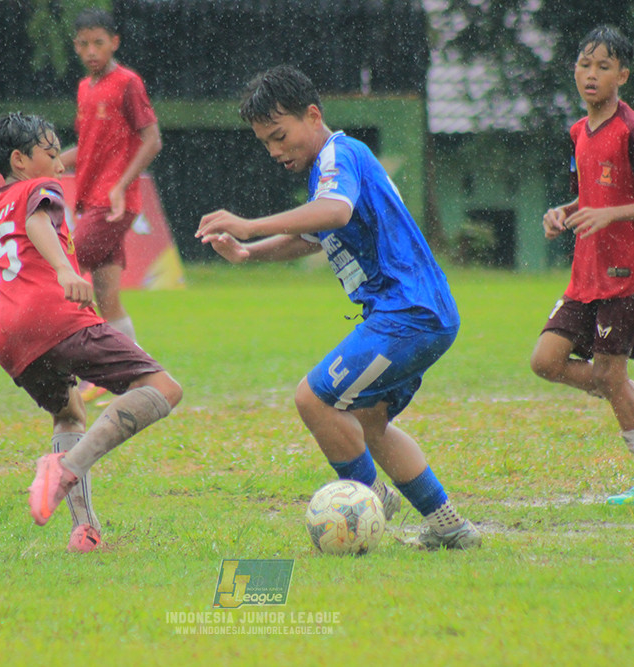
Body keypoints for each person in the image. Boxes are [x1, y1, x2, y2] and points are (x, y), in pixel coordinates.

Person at [196, 65, 481, 551]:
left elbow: (335, 213)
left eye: (280, 136)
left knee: (312, 398)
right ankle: (450, 526)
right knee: (369, 423)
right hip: (420, 314)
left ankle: (370, 503)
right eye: (266, 142)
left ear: (313, 115)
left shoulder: (338, 154)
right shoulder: (330, 170)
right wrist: (249, 253)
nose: (275, 151)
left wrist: (248, 224)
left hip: (407, 313)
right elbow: (313, 234)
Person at [0, 112, 182, 553]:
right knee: (164, 389)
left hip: (7, 338)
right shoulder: (39, 189)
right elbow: (39, 224)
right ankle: (67, 466)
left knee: (69, 413)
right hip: (54, 316)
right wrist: (66, 269)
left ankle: (84, 531)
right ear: (19, 160)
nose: (58, 164)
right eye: (50, 153)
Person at [531, 26, 634, 505]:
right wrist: (564, 213)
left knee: (607, 377)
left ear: (623, 75)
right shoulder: (579, 131)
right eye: (584, 64)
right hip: (585, 276)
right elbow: (593, 197)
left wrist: (610, 214)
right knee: (546, 361)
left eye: (603, 66)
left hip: (625, 277)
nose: (591, 74)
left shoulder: (631, 130)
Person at [60, 8, 162, 346]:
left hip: (112, 203)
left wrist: (120, 185)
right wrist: (51, 165)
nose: (91, 51)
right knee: (106, 295)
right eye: (84, 44)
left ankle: (66, 367)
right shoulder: (83, 88)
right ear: (75, 45)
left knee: (62, 276)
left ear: (114, 43)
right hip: (92, 201)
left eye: (98, 43)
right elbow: (87, 146)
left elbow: (152, 140)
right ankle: (134, 376)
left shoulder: (128, 83)